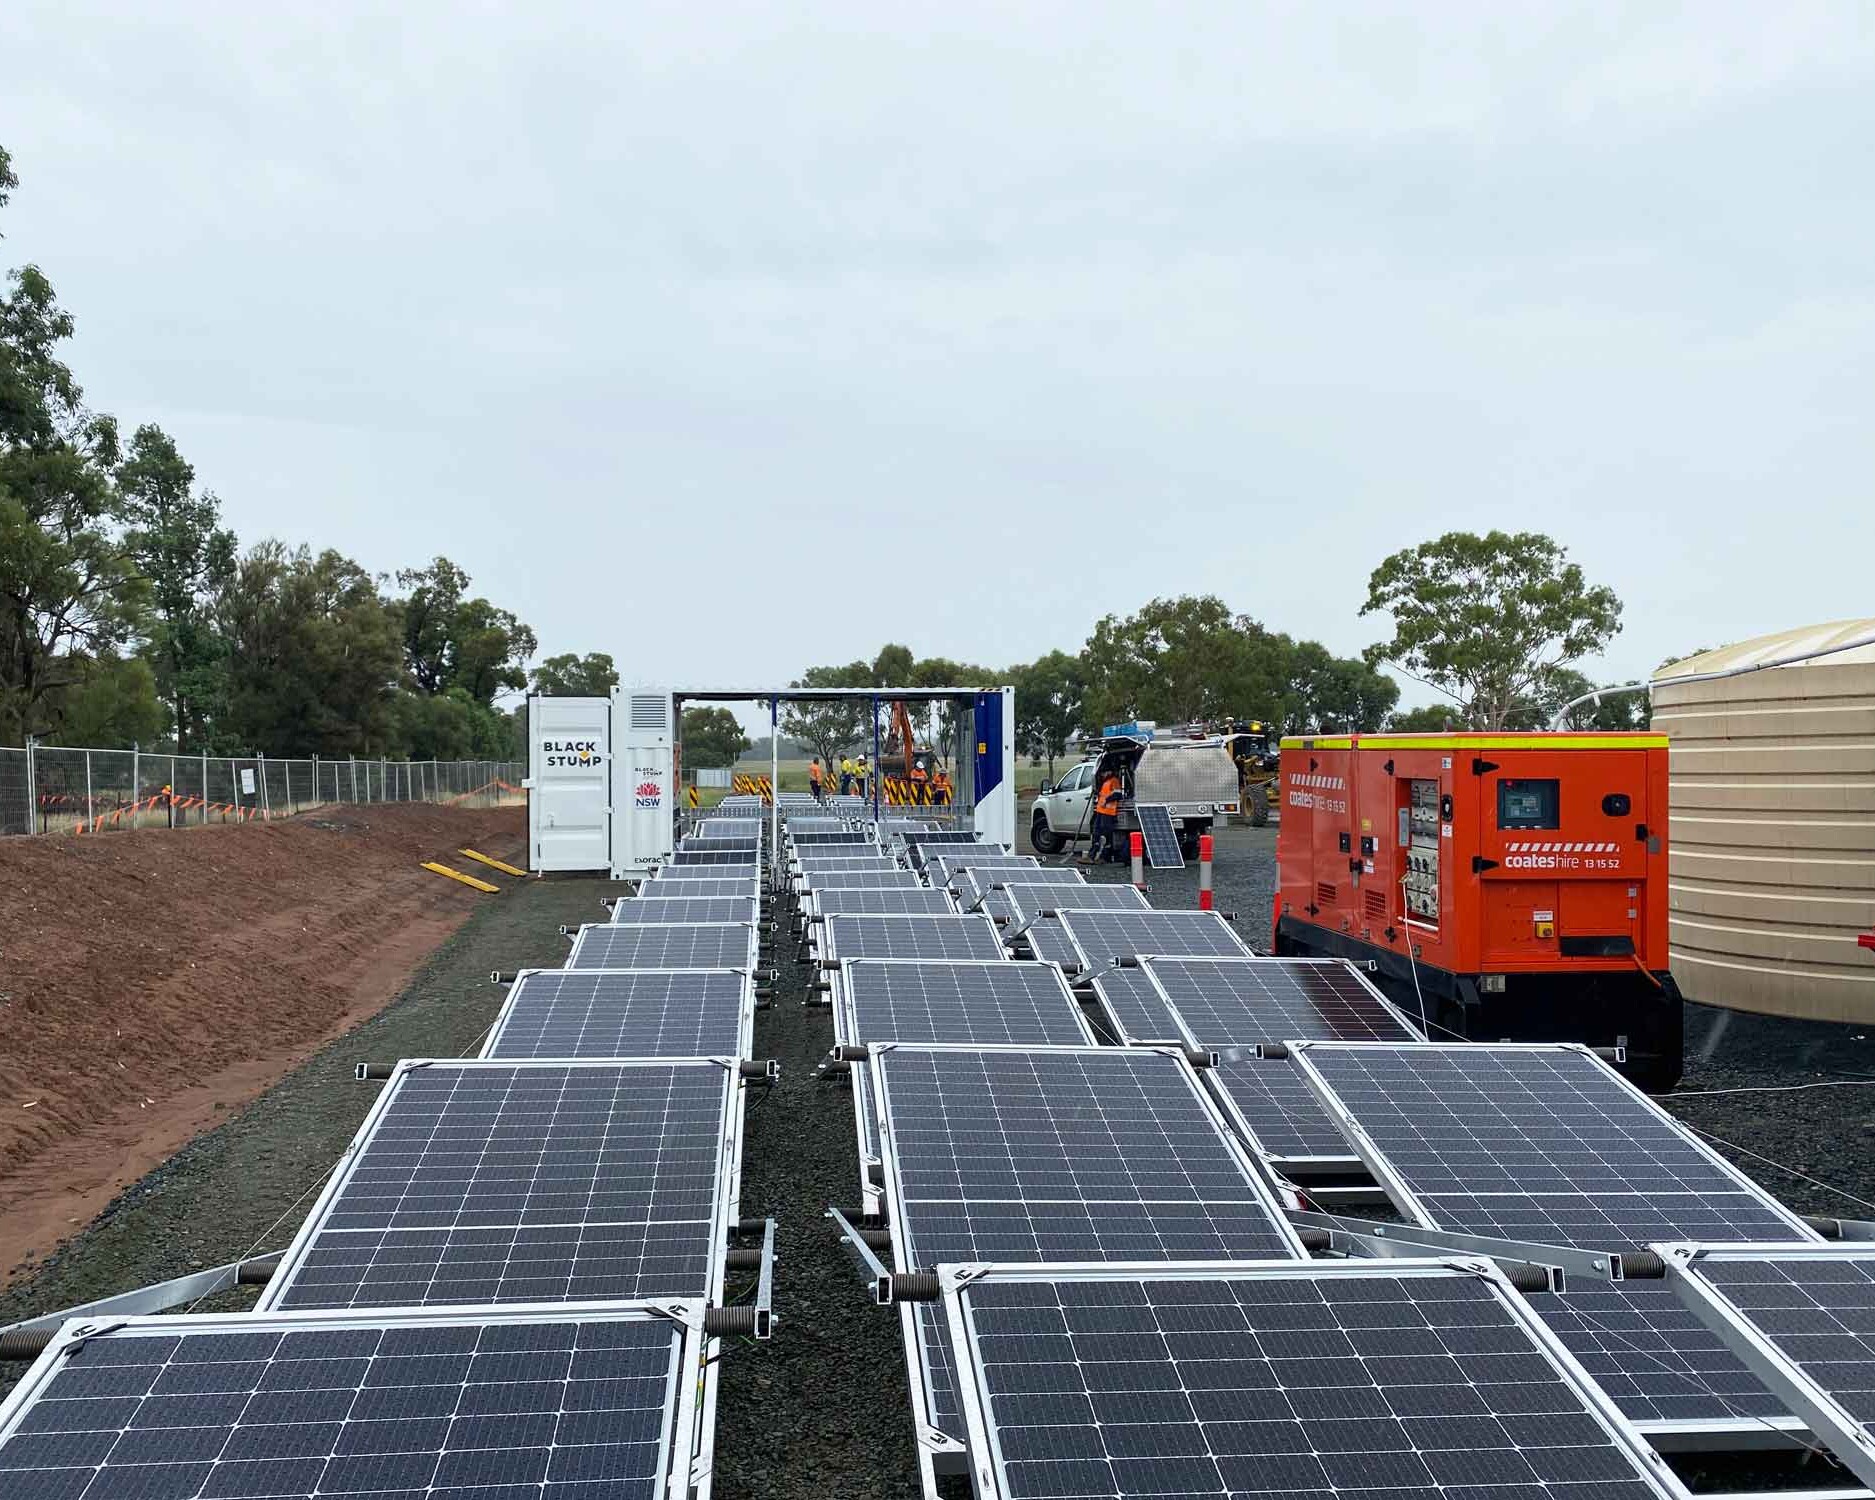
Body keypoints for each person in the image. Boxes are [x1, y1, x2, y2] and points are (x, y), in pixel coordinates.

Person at [1083, 765, 1124, 864]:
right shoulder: (1106, 782)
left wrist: (1107, 800)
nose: (1102, 775)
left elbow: (1118, 794)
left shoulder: (1114, 781)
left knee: (1106, 835)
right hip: (1101, 811)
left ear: (1109, 772)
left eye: (1104, 773)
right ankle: (1093, 855)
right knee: (1097, 833)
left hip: (1108, 813)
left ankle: (1104, 857)